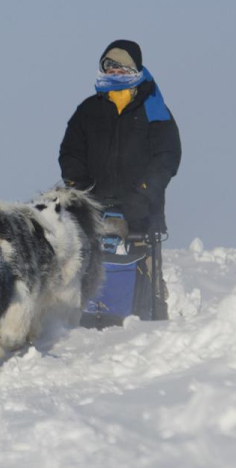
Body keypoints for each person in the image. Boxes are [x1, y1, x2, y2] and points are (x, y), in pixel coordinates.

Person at [58, 39, 182, 320]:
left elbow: (168, 154)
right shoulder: (88, 110)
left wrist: (146, 189)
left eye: (121, 69)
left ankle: (152, 321)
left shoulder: (154, 110)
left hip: (141, 207)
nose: (115, 74)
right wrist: (78, 187)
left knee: (145, 268)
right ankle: (82, 318)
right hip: (93, 206)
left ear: (134, 70)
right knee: (84, 264)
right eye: (109, 68)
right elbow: (71, 152)